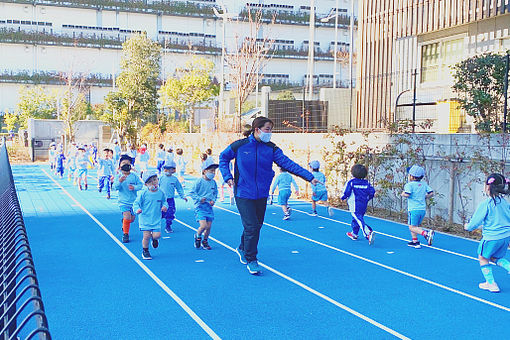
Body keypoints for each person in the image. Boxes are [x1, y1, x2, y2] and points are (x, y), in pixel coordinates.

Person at [219, 117, 319, 275]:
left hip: (261, 193)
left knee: (256, 225)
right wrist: (227, 176)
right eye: (267, 129)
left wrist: (308, 176)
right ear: (257, 129)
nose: (270, 133)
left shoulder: (271, 149)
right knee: (251, 226)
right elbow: (223, 158)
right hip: (243, 192)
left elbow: (288, 163)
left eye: (271, 129)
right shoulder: (240, 146)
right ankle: (251, 258)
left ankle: (242, 247)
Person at [464, 173, 510, 293]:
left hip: (491, 237)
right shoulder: (505, 203)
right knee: (495, 257)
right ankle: (508, 266)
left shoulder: (486, 204)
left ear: (487, 187)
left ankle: (491, 283)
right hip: (505, 237)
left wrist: (468, 227)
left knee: (483, 258)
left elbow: (475, 222)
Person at [134, 170, 168, 260]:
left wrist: (165, 206)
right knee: (146, 236)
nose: (153, 183)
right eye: (150, 182)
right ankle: (145, 251)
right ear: (146, 184)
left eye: (155, 179)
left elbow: (165, 201)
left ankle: (154, 239)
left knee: (157, 235)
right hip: (145, 218)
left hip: (156, 218)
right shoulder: (143, 193)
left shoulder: (161, 192)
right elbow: (136, 203)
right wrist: (137, 209)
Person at [401, 165, 435, 248]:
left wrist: (402, 194)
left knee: (412, 227)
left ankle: (426, 234)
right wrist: (425, 197)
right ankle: (415, 241)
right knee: (415, 226)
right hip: (422, 210)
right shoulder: (423, 184)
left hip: (413, 209)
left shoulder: (409, 185)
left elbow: (407, 194)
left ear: (412, 176)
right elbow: (431, 193)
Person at [341, 164, 376, 245]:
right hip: (363, 204)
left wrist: (342, 198)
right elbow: (372, 192)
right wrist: (368, 199)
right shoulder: (366, 183)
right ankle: (354, 233)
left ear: (353, 173)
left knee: (358, 218)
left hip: (354, 205)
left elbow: (346, 192)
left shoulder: (351, 182)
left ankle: (368, 233)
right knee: (356, 218)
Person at [113, 155, 143, 243]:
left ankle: (124, 222)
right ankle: (125, 234)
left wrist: (134, 187)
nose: (126, 165)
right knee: (127, 216)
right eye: (123, 163)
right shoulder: (118, 176)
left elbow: (140, 185)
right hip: (123, 202)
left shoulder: (134, 176)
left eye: (128, 163)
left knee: (131, 219)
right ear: (120, 166)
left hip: (133, 202)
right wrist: (120, 181)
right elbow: (116, 187)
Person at [190, 163, 219, 250]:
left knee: (209, 226)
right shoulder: (199, 181)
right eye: (211, 171)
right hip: (200, 207)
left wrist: (213, 200)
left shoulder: (213, 182)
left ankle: (205, 241)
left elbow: (215, 193)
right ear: (204, 171)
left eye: (214, 171)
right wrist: (199, 199)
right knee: (203, 226)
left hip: (209, 207)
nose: (213, 173)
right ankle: (198, 236)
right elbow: (192, 192)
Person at [159, 160, 187, 233]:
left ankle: (168, 225)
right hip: (161, 199)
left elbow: (179, 188)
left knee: (170, 213)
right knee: (159, 213)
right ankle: (154, 224)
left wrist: (183, 196)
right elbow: (156, 186)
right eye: (166, 169)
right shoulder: (161, 178)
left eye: (170, 169)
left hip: (170, 199)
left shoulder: (174, 179)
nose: (167, 171)